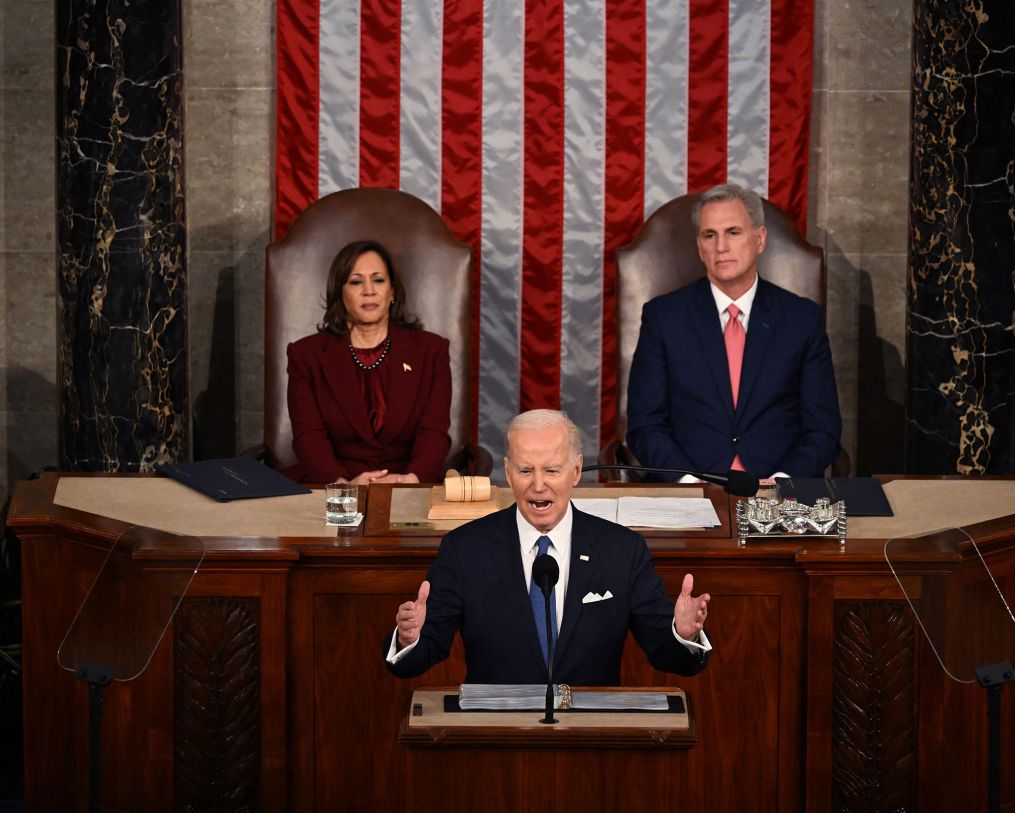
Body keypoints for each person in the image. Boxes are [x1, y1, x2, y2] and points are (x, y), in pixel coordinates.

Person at [384, 409, 711, 685]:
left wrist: (683, 633)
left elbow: (666, 653)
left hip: (591, 738)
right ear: (509, 474)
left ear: (576, 471)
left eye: (552, 470)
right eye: (526, 471)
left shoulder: (622, 550)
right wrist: (408, 638)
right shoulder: (466, 549)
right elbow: (418, 657)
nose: (538, 485)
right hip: (495, 738)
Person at [626, 183, 841, 479]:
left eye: (733, 232)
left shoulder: (801, 319)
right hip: (689, 491)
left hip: (776, 490)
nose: (721, 247)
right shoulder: (663, 318)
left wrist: (783, 481)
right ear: (699, 247)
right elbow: (645, 426)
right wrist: (688, 483)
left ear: (760, 239)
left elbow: (822, 429)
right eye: (709, 235)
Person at [285, 240, 451, 484]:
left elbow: (434, 432)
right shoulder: (306, 355)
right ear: (340, 293)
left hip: (411, 483)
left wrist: (411, 480)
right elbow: (308, 437)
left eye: (378, 280)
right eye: (355, 281)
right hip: (332, 485)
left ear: (392, 290)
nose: (369, 290)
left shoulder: (431, 350)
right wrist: (343, 487)